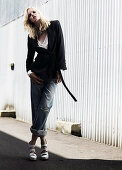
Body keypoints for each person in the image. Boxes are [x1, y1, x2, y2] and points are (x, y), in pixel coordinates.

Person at [23, 7, 67, 161]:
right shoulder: (31, 35)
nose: (32, 15)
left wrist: (60, 69)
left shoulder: (55, 25)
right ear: (28, 20)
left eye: (34, 12)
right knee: (37, 109)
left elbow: (61, 47)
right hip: (37, 74)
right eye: (29, 15)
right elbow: (29, 58)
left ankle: (32, 142)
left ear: (40, 13)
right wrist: (29, 73)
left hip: (52, 74)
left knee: (45, 106)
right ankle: (43, 143)